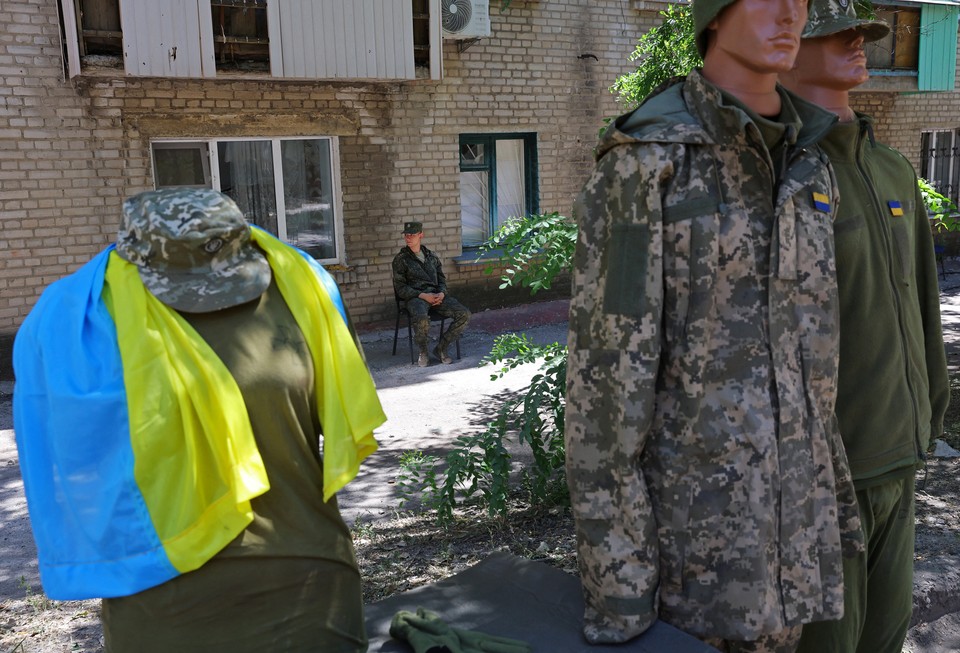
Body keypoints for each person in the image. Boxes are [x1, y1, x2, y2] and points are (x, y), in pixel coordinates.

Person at [564, 0, 865, 650]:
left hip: (791, 546)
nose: (790, 15)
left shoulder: (809, 163)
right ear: (715, 15)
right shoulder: (650, 162)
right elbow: (603, 396)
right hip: (693, 565)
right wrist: (620, 589)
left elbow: (811, 370)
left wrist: (830, 512)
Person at [13, 188, 386, 652]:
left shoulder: (305, 287)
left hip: (309, 585)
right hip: (160, 602)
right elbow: (71, 467)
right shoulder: (71, 320)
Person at [778, 3, 950, 651]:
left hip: (899, 453)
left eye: (861, 32)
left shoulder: (894, 169)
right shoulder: (778, 175)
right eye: (835, 33)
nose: (859, 43)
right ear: (786, 49)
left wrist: (930, 412)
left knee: (887, 636)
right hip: (826, 477)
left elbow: (923, 300)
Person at [392, 221, 471, 367]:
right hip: (416, 298)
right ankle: (423, 351)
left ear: (421, 235)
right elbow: (400, 288)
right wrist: (422, 295)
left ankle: (441, 348)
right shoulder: (401, 259)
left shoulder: (431, 256)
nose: (408, 238)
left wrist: (442, 293)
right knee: (421, 318)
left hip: (436, 296)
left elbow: (441, 279)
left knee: (464, 314)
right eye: (406, 235)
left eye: (412, 235)